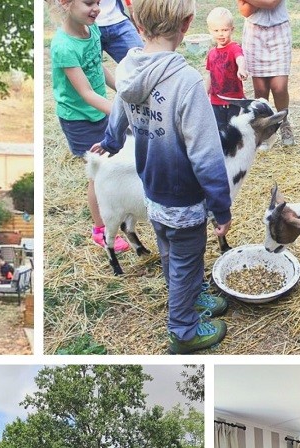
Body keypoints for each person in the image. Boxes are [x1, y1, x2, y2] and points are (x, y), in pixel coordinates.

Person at [92, 0, 232, 354]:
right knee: (186, 257)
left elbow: (120, 108)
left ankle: (190, 293)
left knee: (171, 253)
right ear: (187, 23)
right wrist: (221, 206)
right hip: (184, 198)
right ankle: (184, 331)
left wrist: (110, 141)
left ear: (136, 24)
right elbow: (206, 155)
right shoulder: (186, 82)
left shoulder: (128, 68)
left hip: (152, 192)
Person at [49, 0, 130, 253]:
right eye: (88, 3)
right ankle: (100, 229)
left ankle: (117, 207)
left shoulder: (92, 28)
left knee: (113, 161)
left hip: (99, 111)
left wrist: (122, 89)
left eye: (98, 2)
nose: (96, 8)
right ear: (65, 3)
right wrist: (120, 111)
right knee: (97, 173)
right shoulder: (63, 46)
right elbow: (85, 93)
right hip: (79, 119)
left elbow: (98, 65)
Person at [236, 0, 294, 147]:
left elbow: (271, 3)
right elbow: (244, 11)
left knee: (279, 88)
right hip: (254, 32)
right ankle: (264, 129)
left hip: (279, 30)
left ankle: (284, 123)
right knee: (260, 90)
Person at [205, 6, 248, 132]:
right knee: (219, 129)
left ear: (232, 29)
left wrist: (241, 68)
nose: (220, 34)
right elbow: (210, 74)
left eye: (224, 30)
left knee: (234, 130)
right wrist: (205, 91)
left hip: (233, 101)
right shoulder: (211, 53)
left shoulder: (234, 47)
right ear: (210, 30)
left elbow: (240, 58)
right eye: (216, 30)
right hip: (215, 101)